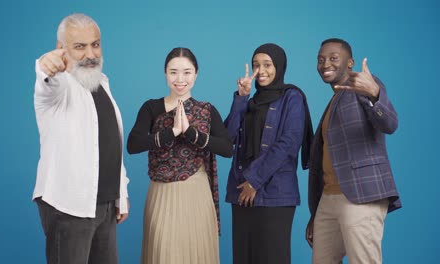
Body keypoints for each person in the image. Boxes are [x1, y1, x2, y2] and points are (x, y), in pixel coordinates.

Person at [32, 13, 129, 264]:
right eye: (79, 46)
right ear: (61, 49)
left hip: (105, 205)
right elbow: (46, 80)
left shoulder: (102, 84)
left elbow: (110, 144)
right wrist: (46, 65)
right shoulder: (59, 88)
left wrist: (121, 192)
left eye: (95, 44)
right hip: (68, 207)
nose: (91, 54)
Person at [127, 47, 233, 264]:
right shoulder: (151, 108)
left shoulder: (206, 110)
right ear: (165, 73)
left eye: (187, 72)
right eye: (173, 72)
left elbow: (227, 149)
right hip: (161, 193)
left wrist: (190, 133)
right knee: (163, 253)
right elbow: (133, 144)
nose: (180, 79)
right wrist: (172, 132)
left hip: (197, 194)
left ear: (196, 74)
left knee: (196, 253)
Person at [305, 38, 402, 264]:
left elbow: (390, 124)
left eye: (333, 58)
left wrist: (374, 93)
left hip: (361, 195)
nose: (325, 64)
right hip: (328, 198)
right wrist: (315, 212)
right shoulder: (335, 100)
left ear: (350, 63)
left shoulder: (365, 86)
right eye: (320, 60)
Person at [224, 43, 314, 264]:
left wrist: (254, 181)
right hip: (241, 193)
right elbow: (227, 139)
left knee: (272, 258)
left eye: (267, 64)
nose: (261, 71)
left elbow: (289, 144)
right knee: (244, 258)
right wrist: (241, 98)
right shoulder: (249, 101)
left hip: (275, 194)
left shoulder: (292, 97)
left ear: (279, 66)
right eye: (256, 65)